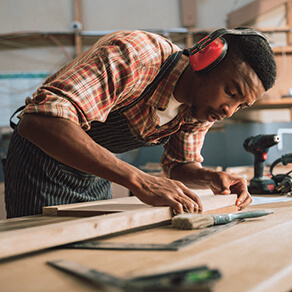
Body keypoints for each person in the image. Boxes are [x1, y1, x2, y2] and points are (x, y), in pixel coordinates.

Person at [4, 27, 277, 218]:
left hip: (96, 171)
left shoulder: (202, 107)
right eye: (231, 92)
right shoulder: (135, 55)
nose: (229, 111)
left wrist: (211, 178)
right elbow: (39, 121)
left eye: (242, 104)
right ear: (205, 59)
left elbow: (180, 166)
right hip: (41, 164)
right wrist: (139, 180)